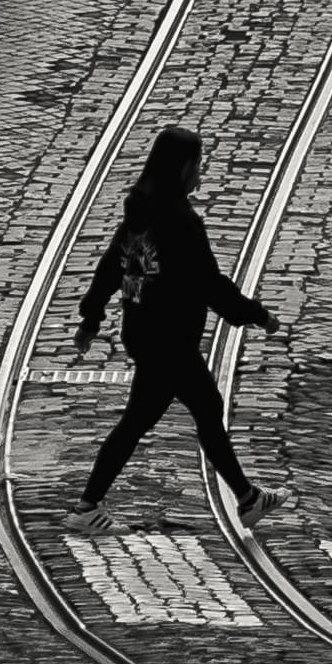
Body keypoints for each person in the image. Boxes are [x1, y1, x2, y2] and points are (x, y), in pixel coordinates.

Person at [73, 126, 284, 531]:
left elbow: (111, 266)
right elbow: (210, 285)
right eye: (198, 163)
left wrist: (91, 318)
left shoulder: (141, 211)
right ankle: (86, 507)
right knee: (148, 419)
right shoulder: (180, 222)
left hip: (145, 332)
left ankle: (248, 498)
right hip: (169, 339)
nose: (200, 172)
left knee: (202, 410)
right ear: (183, 167)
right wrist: (258, 315)